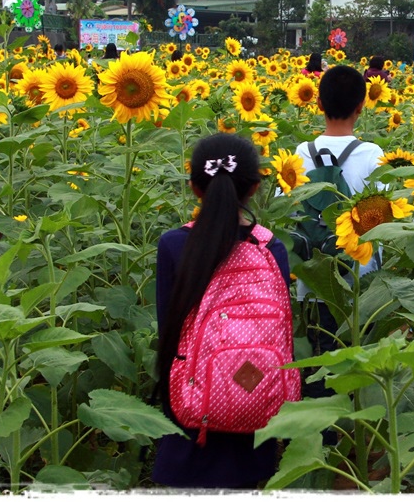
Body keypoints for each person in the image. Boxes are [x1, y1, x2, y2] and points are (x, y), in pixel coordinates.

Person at [152, 133, 289, 489]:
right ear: (255, 187)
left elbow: (168, 332)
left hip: (191, 425)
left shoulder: (174, 245)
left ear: (195, 188)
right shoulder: (272, 248)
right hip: (254, 414)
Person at [294, 65, 384, 378]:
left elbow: (287, 210)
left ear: (318, 103)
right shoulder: (372, 154)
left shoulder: (300, 153)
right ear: (361, 105)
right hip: (362, 284)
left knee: (319, 367)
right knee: (358, 370)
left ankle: (323, 426)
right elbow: (390, 220)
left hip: (314, 282)